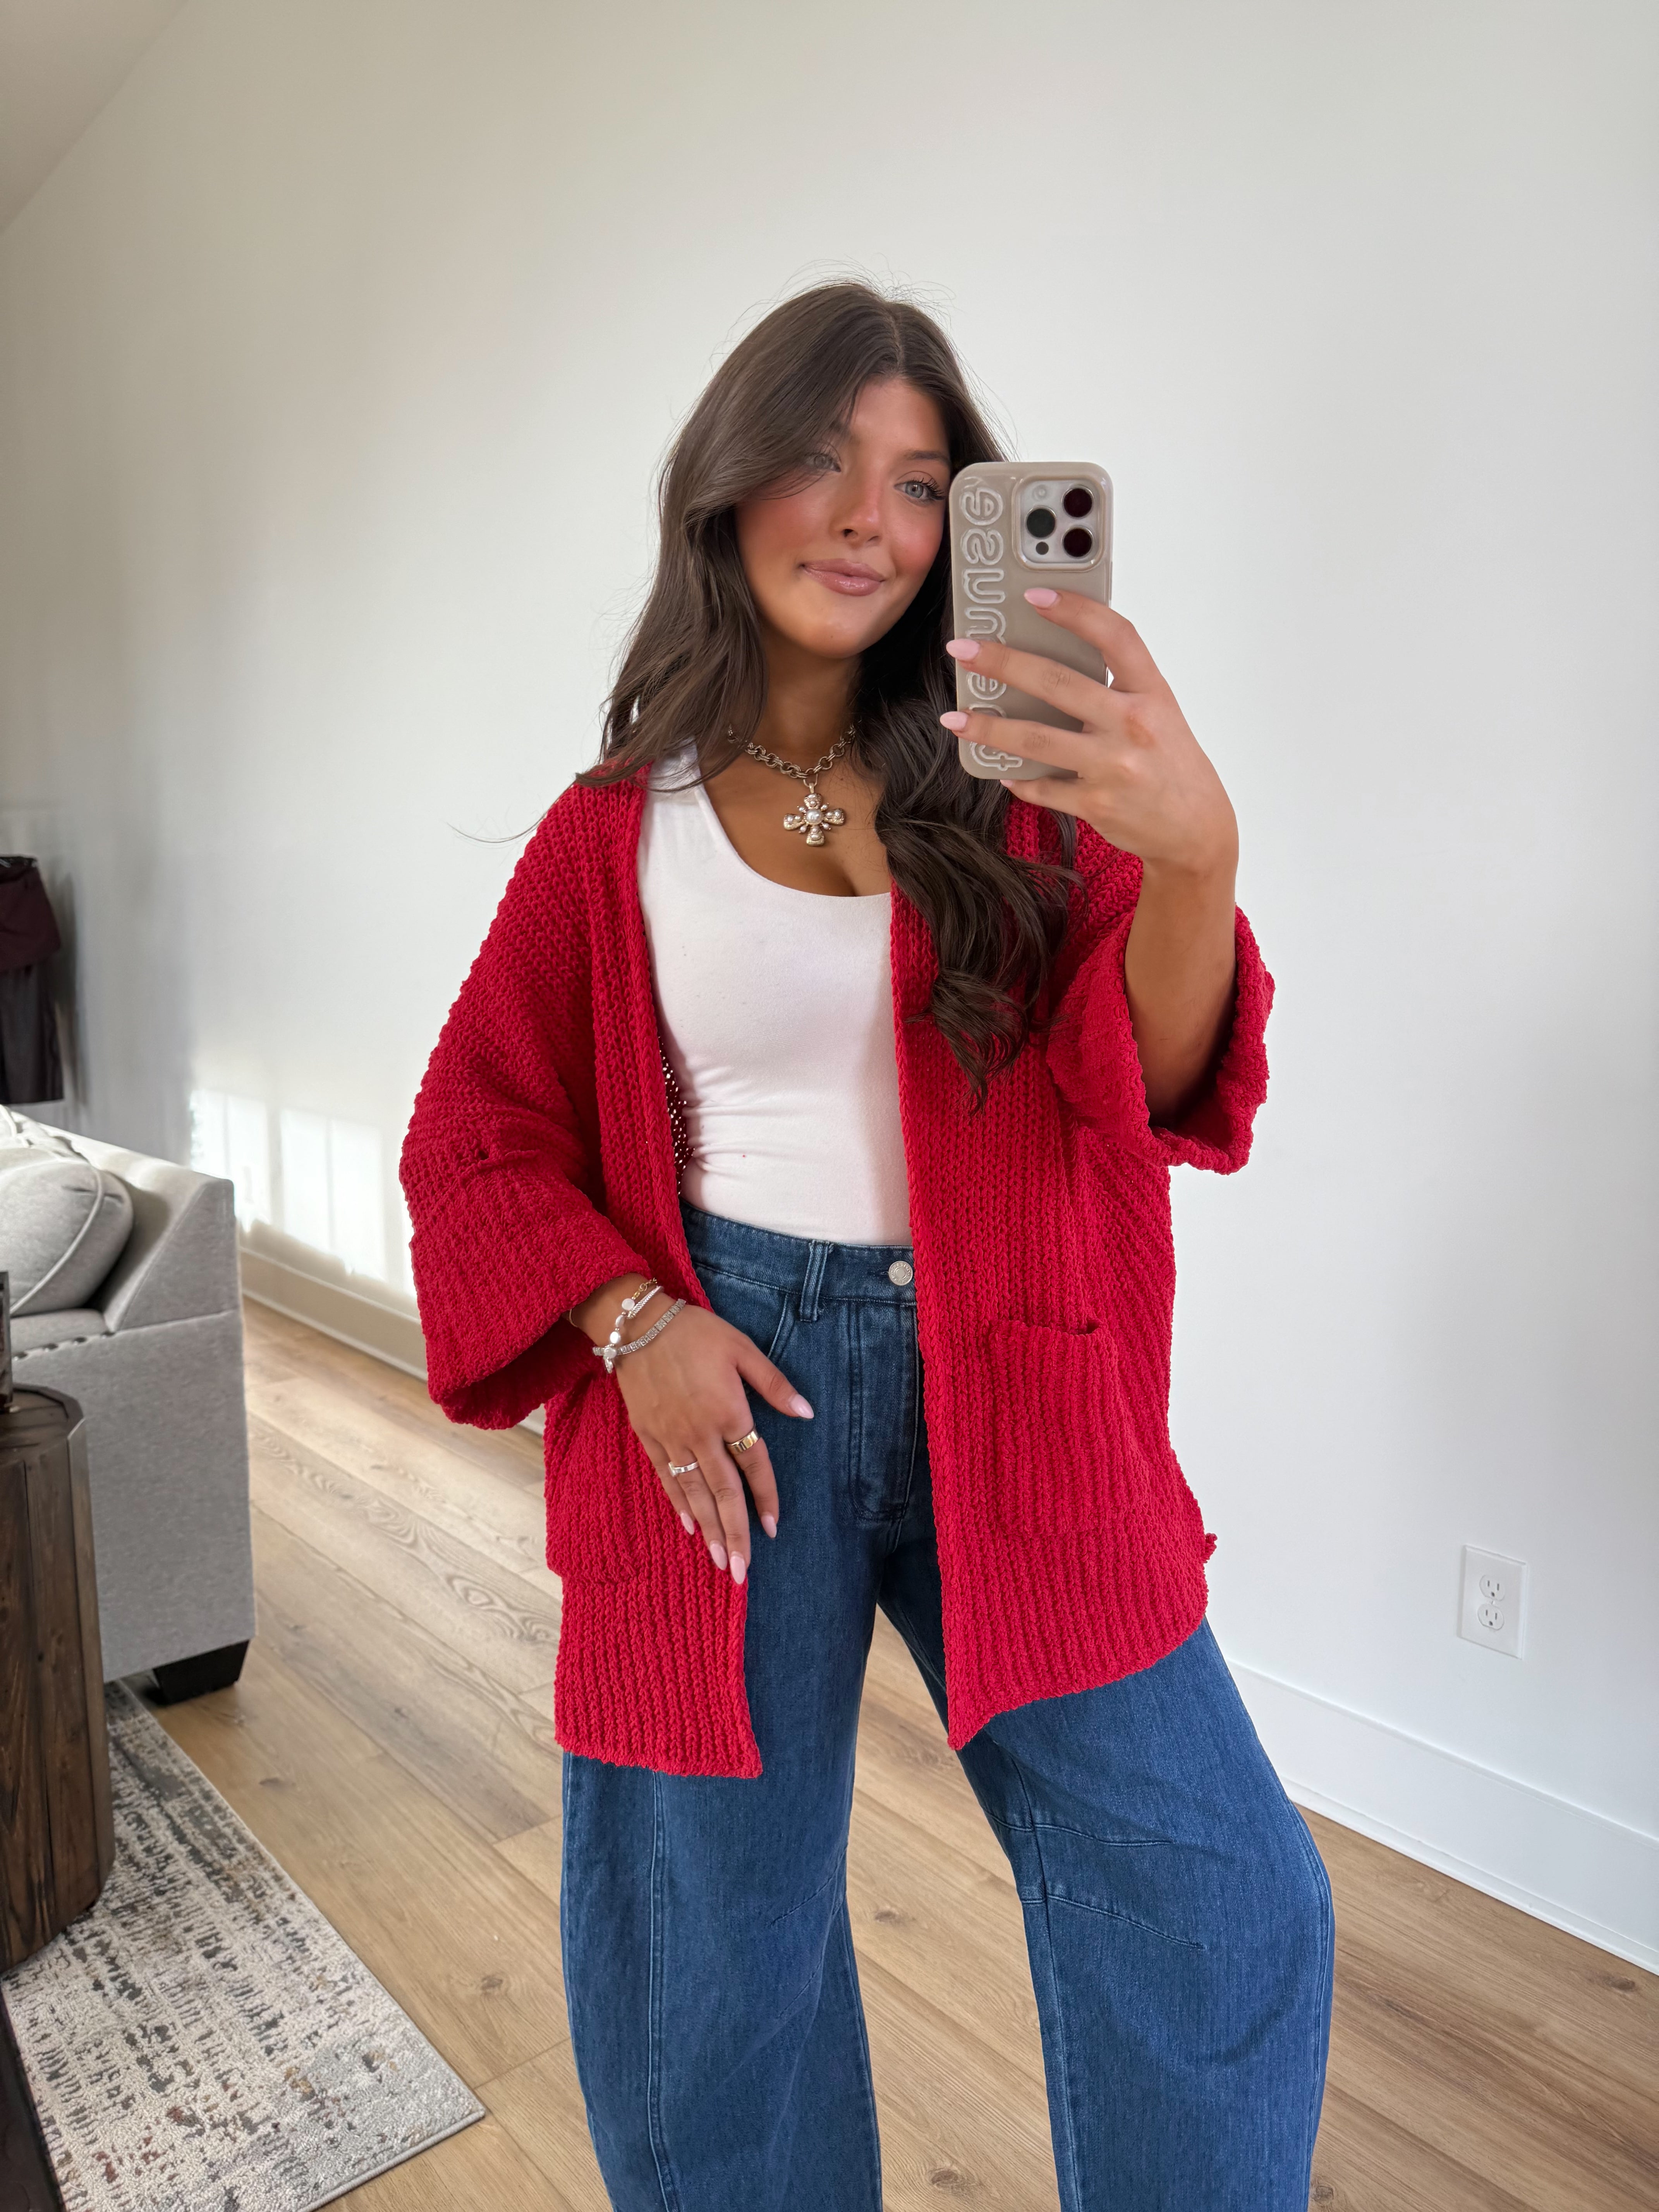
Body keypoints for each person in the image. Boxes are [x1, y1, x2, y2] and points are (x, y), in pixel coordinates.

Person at [400, 281, 1333, 2212]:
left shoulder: (1024, 785)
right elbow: (474, 1132)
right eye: (822, 460)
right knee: (714, 1966)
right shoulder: (612, 832)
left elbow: (1151, 1078)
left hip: (1023, 1376)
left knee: (1226, 1898)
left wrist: (1196, 854)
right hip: (732, 1394)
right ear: (729, 484)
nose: (868, 520)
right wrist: (633, 1319)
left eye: (920, 483)